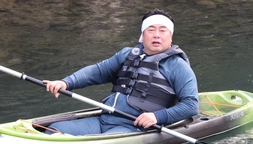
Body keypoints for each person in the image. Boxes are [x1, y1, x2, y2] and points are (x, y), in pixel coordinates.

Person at [43, 9, 199, 135]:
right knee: (54, 130)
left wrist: (157, 117)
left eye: (163, 31)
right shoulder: (127, 54)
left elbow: (191, 105)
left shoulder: (178, 66)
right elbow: (97, 71)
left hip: (135, 127)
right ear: (142, 35)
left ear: (170, 37)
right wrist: (66, 82)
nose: (157, 35)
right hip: (104, 120)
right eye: (151, 30)